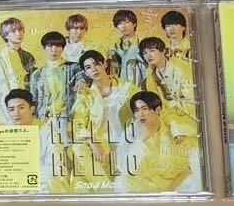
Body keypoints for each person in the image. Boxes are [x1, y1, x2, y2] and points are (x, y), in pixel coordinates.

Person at [70, 50, 129, 182]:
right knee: (78, 148)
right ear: (86, 73)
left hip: (124, 140)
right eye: (88, 67)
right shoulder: (86, 95)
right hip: (101, 142)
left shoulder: (126, 87)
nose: (94, 69)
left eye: (96, 64)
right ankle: (105, 187)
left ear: (105, 64)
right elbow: (77, 125)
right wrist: (93, 144)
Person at [121, 90, 195, 193]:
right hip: (139, 189)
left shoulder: (175, 129)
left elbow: (190, 163)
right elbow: (127, 169)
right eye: (136, 110)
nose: (140, 114)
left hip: (172, 188)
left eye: (145, 109)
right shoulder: (130, 134)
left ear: (158, 110)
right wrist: (142, 140)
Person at [0, 16, 36, 123]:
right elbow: (1, 90)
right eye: (13, 31)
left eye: (20, 30)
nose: (18, 33)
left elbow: (34, 83)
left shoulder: (28, 56)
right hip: (12, 112)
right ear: (5, 35)